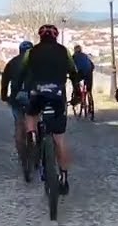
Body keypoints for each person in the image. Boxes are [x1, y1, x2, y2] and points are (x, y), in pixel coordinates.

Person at [13, 24, 83, 194]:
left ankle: (33, 138)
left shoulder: (31, 52)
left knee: (31, 115)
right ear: (55, 36)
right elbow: (74, 73)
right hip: (57, 94)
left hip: (37, 93)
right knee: (60, 140)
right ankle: (64, 178)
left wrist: (16, 91)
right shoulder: (63, 51)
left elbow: (20, 73)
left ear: (40, 36)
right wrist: (77, 93)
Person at [0, 41, 33, 154]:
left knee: (19, 123)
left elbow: (4, 81)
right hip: (34, 97)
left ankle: (22, 155)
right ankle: (39, 141)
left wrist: (4, 96)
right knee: (35, 118)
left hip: (16, 98)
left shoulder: (12, 62)